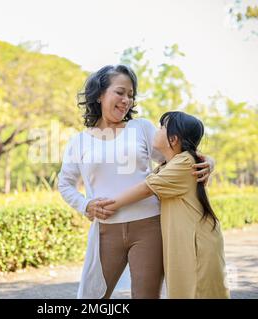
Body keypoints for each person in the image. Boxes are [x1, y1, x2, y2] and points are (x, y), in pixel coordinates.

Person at [57, 65, 214, 299]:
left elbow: (177, 156)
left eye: (131, 95)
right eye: (120, 92)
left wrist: (208, 160)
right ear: (100, 94)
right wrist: (85, 205)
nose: (126, 100)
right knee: (92, 298)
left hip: (149, 227)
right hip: (106, 231)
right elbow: (65, 184)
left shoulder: (140, 128)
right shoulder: (79, 141)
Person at [103, 111, 230, 299]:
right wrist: (210, 161)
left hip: (195, 242)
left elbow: (146, 189)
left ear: (174, 139)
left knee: (197, 291)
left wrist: (108, 206)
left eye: (162, 127)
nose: (157, 130)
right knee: (184, 291)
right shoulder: (169, 164)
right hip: (184, 240)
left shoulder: (184, 162)